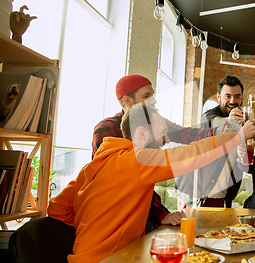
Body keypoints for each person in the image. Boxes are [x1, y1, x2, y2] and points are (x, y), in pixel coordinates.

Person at [49, 104, 255, 263]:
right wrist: (237, 137)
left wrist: (95, 226)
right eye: (163, 133)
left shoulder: (94, 165)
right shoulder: (137, 160)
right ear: (142, 133)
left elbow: (57, 209)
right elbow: (190, 155)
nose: (166, 140)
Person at [92, 74, 220, 230]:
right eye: (147, 96)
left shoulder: (155, 122)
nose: (153, 100)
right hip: (115, 217)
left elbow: (191, 134)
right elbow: (116, 183)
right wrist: (160, 215)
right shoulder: (106, 130)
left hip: (147, 211)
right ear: (127, 100)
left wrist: (228, 130)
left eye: (152, 95)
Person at [177, 75, 245, 207]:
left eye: (237, 96)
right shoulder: (209, 115)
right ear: (219, 97)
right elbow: (212, 123)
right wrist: (231, 120)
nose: (233, 100)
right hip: (197, 193)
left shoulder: (243, 120)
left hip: (224, 196)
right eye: (228, 96)